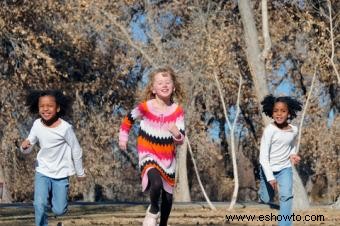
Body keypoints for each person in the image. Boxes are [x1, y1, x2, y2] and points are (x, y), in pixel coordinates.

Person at [118, 67, 185, 226]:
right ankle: (153, 210)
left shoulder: (177, 111)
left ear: (173, 87)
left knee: (168, 197)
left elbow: (181, 139)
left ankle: (163, 224)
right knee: (156, 183)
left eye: (167, 82)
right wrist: (123, 137)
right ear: (153, 89)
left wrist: (176, 133)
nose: (164, 85)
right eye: (160, 83)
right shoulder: (146, 107)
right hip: (148, 155)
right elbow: (128, 119)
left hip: (168, 159)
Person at [21, 90, 86, 226]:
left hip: (61, 173)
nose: (45, 109)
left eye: (49, 106)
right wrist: (25, 147)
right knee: (39, 204)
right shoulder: (37, 124)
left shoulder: (65, 128)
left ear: (57, 108)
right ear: (37, 108)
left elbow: (76, 149)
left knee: (59, 210)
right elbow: (29, 145)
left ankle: (53, 200)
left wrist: (80, 172)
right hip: (43, 170)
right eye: (42, 106)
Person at [259, 94, 302, 226]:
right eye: (276, 111)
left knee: (286, 196)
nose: (279, 114)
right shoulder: (269, 131)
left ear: (289, 112)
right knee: (267, 198)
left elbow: (292, 146)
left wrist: (293, 155)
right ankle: (262, 193)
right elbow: (263, 156)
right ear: (271, 112)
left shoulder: (294, 130)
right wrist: (270, 177)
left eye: (283, 111)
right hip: (268, 169)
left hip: (284, 169)